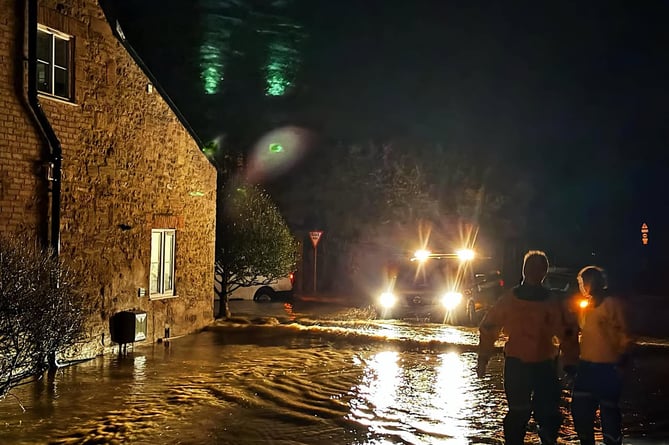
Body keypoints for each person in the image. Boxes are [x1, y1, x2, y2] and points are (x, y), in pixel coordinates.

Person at [477, 250, 579, 445]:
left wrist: (483, 359)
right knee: (531, 413)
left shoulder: (513, 299)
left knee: (530, 413)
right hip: (536, 365)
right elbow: (568, 333)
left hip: (528, 364)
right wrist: (571, 364)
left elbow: (489, 328)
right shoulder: (550, 302)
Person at [571, 266, 633, 445]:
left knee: (609, 413)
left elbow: (624, 333)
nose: (582, 287)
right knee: (581, 410)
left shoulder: (611, 304)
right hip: (586, 367)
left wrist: (623, 357)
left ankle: (612, 441)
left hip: (607, 367)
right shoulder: (586, 307)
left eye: (584, 282)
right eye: (581, 283)